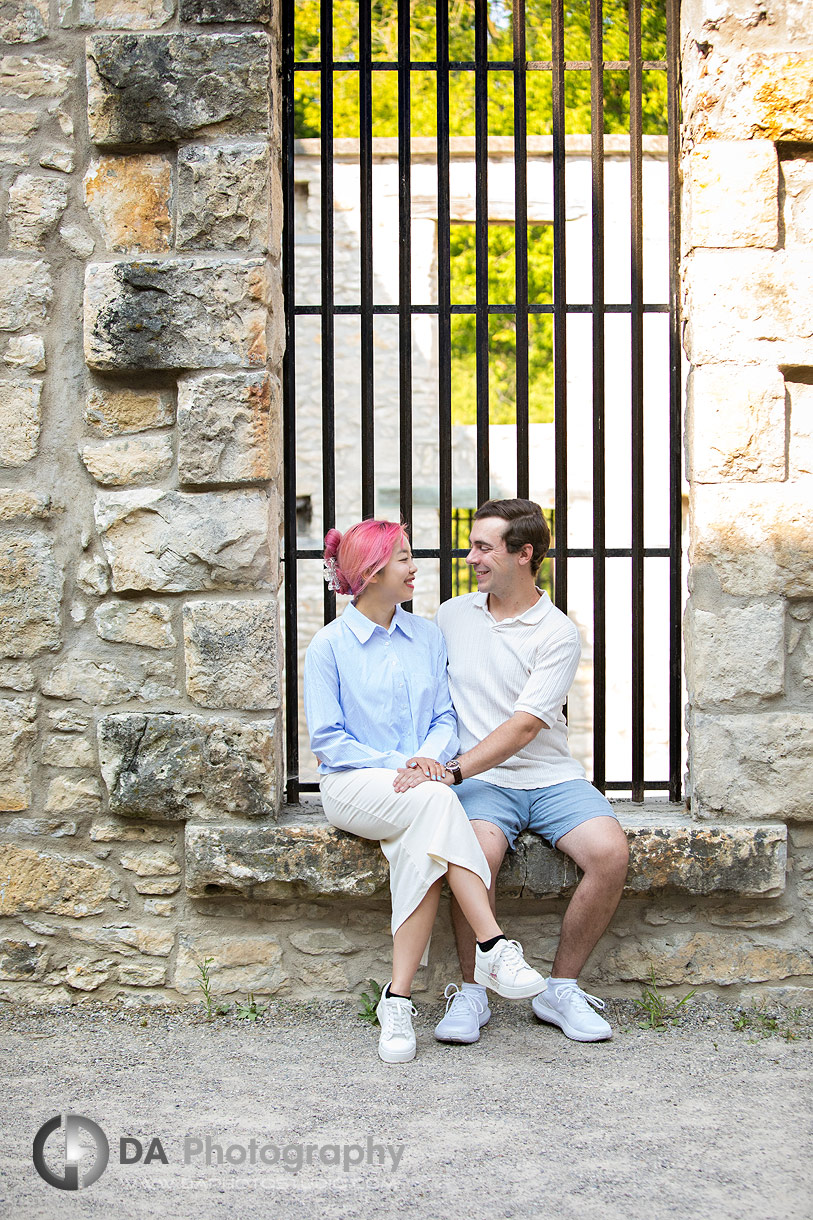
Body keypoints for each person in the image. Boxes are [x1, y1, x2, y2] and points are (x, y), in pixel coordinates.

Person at [303, 518, 545, 1065]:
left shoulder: (428, 637)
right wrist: (406, 766)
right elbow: (330, 743)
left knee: (426, 836)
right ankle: (493, 946)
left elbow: (443, 717)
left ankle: (397, 999)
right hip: (354, 784)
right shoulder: (329, 647)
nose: (416, 568)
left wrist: (431, 761)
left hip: (423, 786)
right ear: (371, 572)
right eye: (405, 559)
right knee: (436, 802)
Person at [396, 499, 629, 1044]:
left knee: (610, 853)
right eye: (472, 544)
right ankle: (473, 991)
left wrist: (452, 772)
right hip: (485, 783)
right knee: (475, 857)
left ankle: (561, 988)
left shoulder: (558, 633)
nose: (471, 556)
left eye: (484, 547)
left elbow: (525, 728)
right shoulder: (453, 615)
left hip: (549, 775)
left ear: (525, 555)